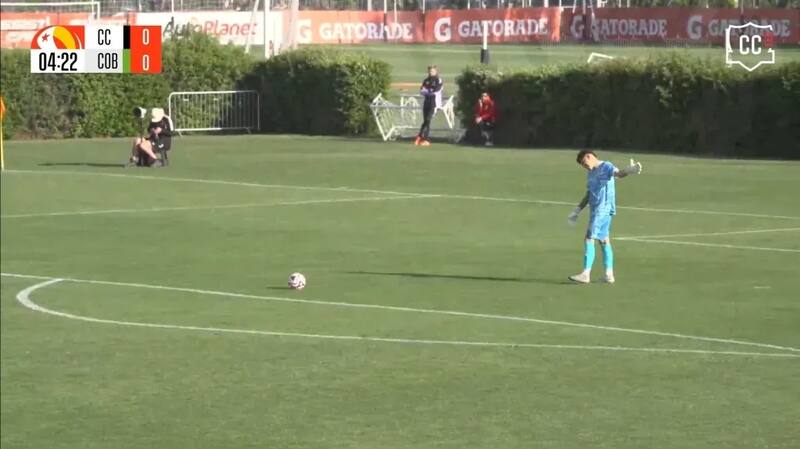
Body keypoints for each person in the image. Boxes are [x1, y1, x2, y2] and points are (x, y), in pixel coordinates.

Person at [567, 150, 643, 284]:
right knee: (603, 240)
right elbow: (589, 194)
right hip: (596, 209)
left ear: (589, 157)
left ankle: (586, 273)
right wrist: (577, 210)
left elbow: (618, 174)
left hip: (603, 209)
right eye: (583, 166)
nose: (585, 167)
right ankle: (609, 275)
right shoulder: (590, 174)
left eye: (585, 163)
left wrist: (629, 170)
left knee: (589, 238)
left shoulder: (606, 166)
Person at [415, 65, 443, 147]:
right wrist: (428, 90)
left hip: (434, 103)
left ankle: (421, 136)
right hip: (426, 102)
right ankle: (423, 139)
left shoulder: (438, 80)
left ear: (436, 71)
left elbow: (436, 90)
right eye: (430, 71)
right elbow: (422, 90)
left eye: (433, 71)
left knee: (427, 120)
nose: (431, 73)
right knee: (426, 121)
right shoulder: (426, 80)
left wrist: (428, 90)